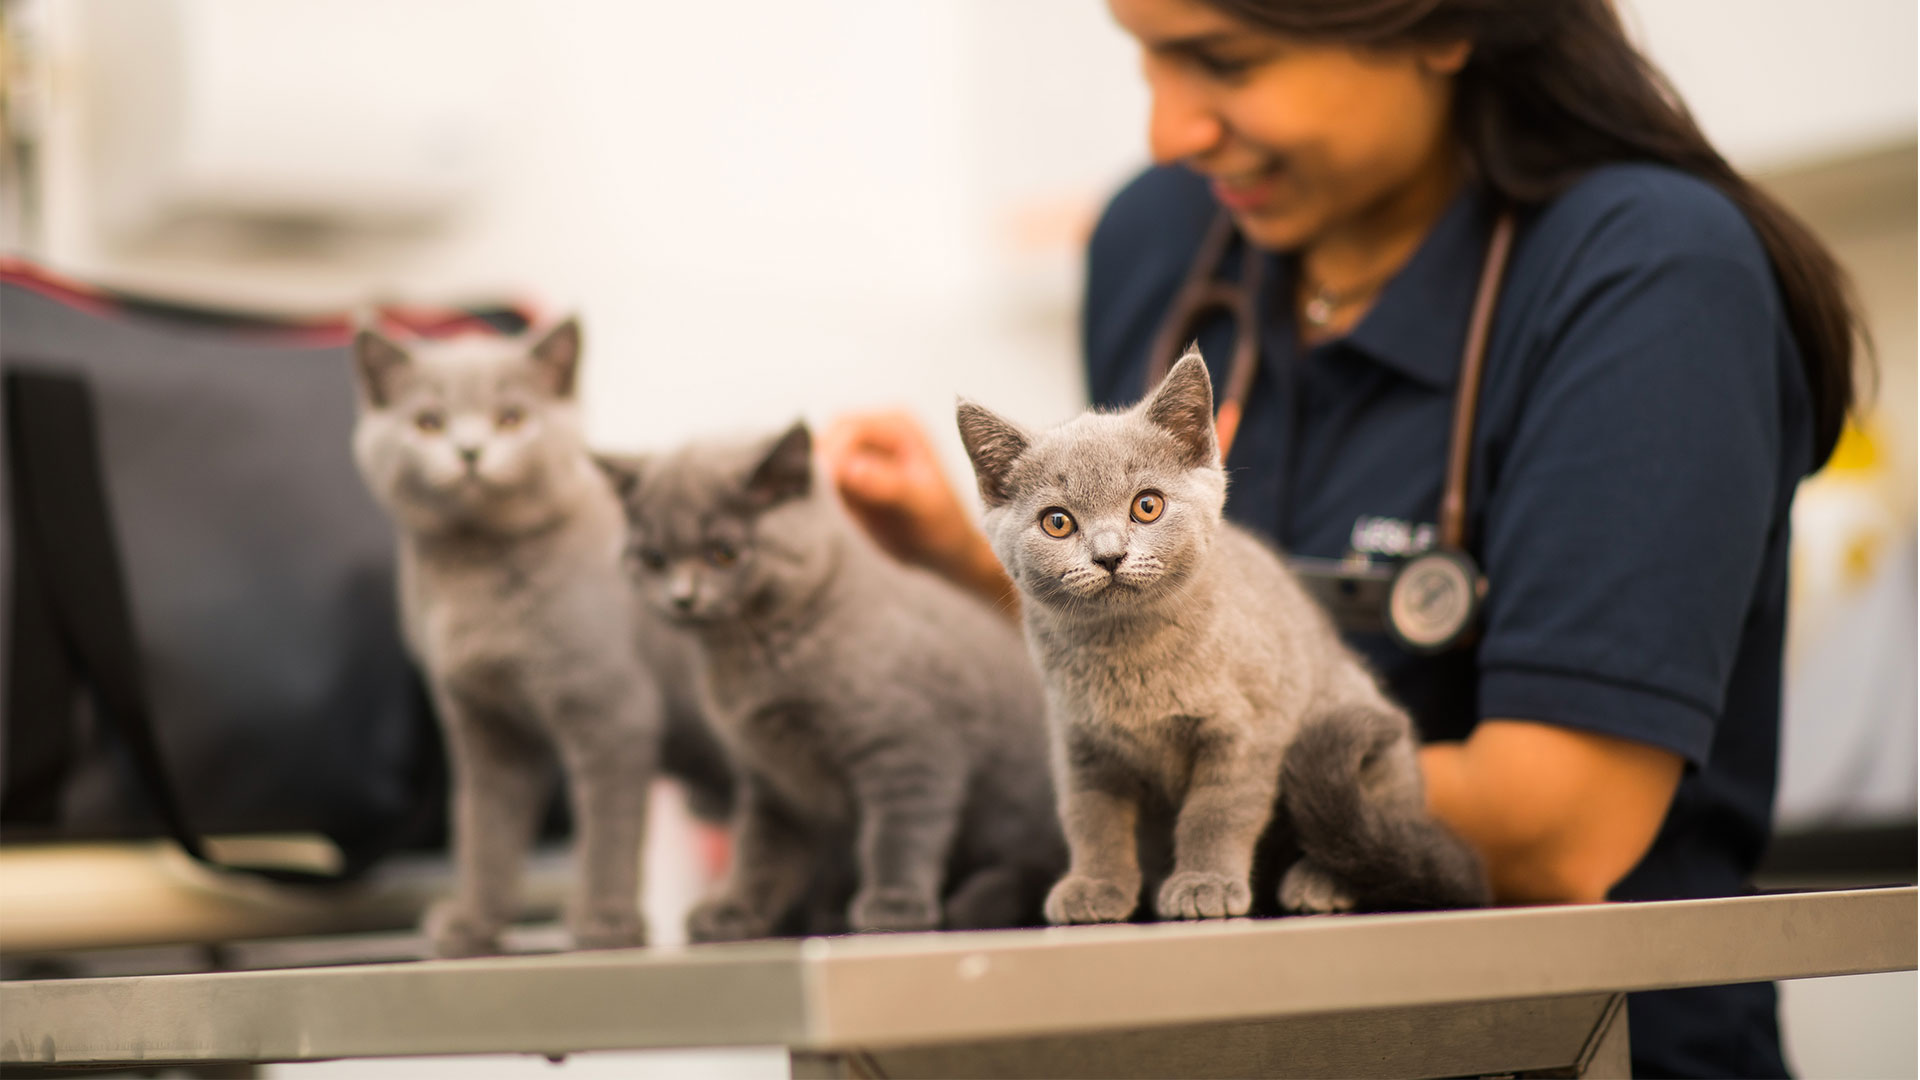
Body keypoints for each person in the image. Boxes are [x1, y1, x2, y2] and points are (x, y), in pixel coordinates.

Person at [820, 0, 1861, 1075]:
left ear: (1441, 28)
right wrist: (962, 554)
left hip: (1564, 1048)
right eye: (1144, 59)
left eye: (1221, 60)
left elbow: (1557, 832)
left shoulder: (1652, 276)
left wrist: (1214, 774)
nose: (1171, 131)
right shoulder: (1161, 239)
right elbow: (1145, 657)